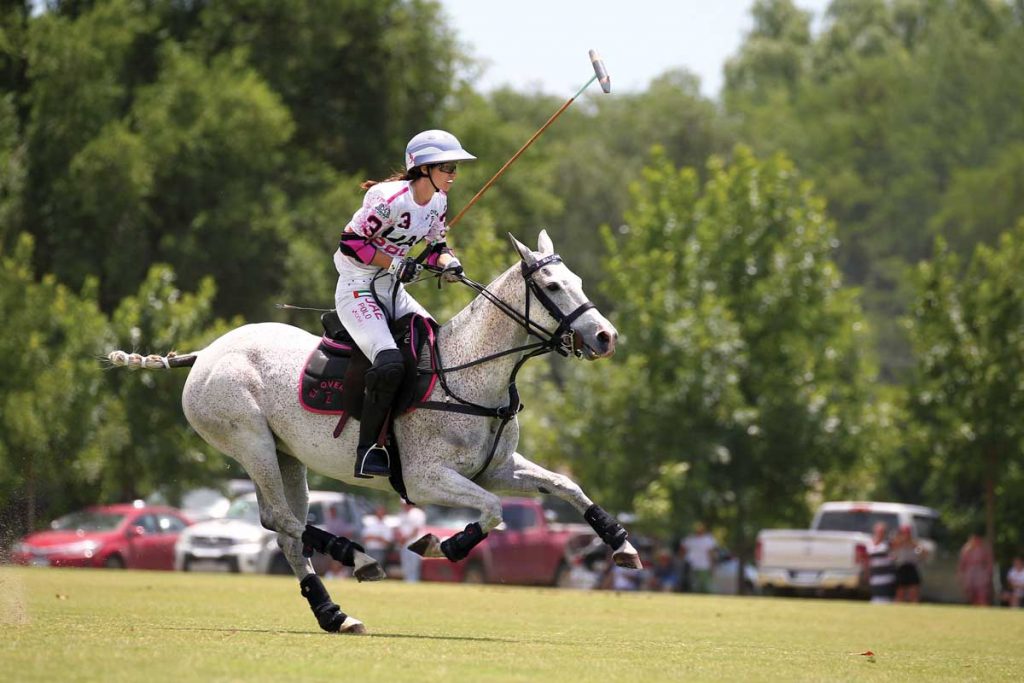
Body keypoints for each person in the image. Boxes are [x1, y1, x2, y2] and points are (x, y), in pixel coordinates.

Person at [334, 129, 476, 479]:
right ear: (424, 168)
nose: (454, 174)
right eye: (448, 167)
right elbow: (350, 243)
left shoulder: (439, 201)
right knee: (391, 363)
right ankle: (368, 449)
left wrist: (449, 264)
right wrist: (396, 263)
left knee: (439, 345)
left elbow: (437, 247)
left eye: (456, 167)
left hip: (392, 290)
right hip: (358, 287)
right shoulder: (390, 198)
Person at [891, 524, 926, 603]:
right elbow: (893, 551)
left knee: (914, 592)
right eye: (904, 533)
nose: (906, 535)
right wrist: (901, 542)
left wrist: (913, 544)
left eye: (907, 533)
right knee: (900, 592)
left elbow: (921, 552)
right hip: (901, 567)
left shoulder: (914, 543)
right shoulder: (897, 542)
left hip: (911, 567)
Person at [958, 531, 994, 606]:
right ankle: (974, 607)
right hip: (970, 573)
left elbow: (989, 562)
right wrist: (961, 574)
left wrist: (989, 573)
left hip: (981, 572)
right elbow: (962, 563)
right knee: (970, 592)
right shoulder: (966, 549)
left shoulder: (984, 549)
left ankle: (983, 607)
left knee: (981, 592)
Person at [863, 521, 896, 604]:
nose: (880, 533)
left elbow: (894, 555)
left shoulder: (888, 543)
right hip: (875, 575)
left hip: (886, 576)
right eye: (878, 531)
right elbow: (866, 560)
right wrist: (867, 573)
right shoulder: (869, 543)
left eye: (882, 531)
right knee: (876, 596)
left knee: (886, 598)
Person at [680, 522, 718, 594]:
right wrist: (683, 558)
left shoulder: (708, 539)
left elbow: (711, 553)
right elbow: (682, 548)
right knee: (692, 585)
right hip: (691, 564)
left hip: (704, 565)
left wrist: (712, 564)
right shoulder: (690, 538)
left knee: (705, 585)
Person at [396, 502, 427, 583]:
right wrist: (400, 539)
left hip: (415, 543)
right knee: (405, 565)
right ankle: (407, 582)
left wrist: (404, 539)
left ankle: (413, 583)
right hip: (404, 544)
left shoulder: (417, 513)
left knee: (413, 566)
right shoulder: (401, 514)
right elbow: (399, 529)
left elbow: (416, 530)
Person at [361, 505, 395, 570]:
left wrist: (373, 537)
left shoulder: (387, 526)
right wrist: (378, 538)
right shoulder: (370, 523)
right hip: (369, 549)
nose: (380, 514)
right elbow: (365, 538)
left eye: (382, 512)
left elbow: (387, 542)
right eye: (379, 512)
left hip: (380, 550)